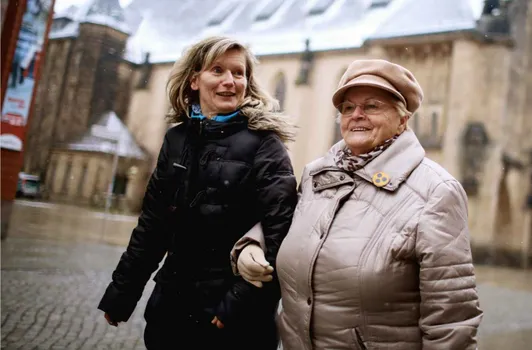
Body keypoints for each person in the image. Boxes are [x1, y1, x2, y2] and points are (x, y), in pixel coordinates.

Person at [237, 59, 483, 349]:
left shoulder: (436, 192)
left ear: (403, 119)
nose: (356, 115)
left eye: (372, 106)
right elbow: (292, 222)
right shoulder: (318, 174)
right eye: (348, 108)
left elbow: (451, 320)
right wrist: (253, 243)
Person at [97, 36, 298, 349]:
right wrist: (123, 292)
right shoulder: (177, 139)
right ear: (194, 80)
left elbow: (281, 233)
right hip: (170, 309)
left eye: (238, 73)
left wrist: (239, 302)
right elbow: (152, 226)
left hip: (232, 321)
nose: (229, 81)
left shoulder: (265, 144)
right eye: (217, 70)